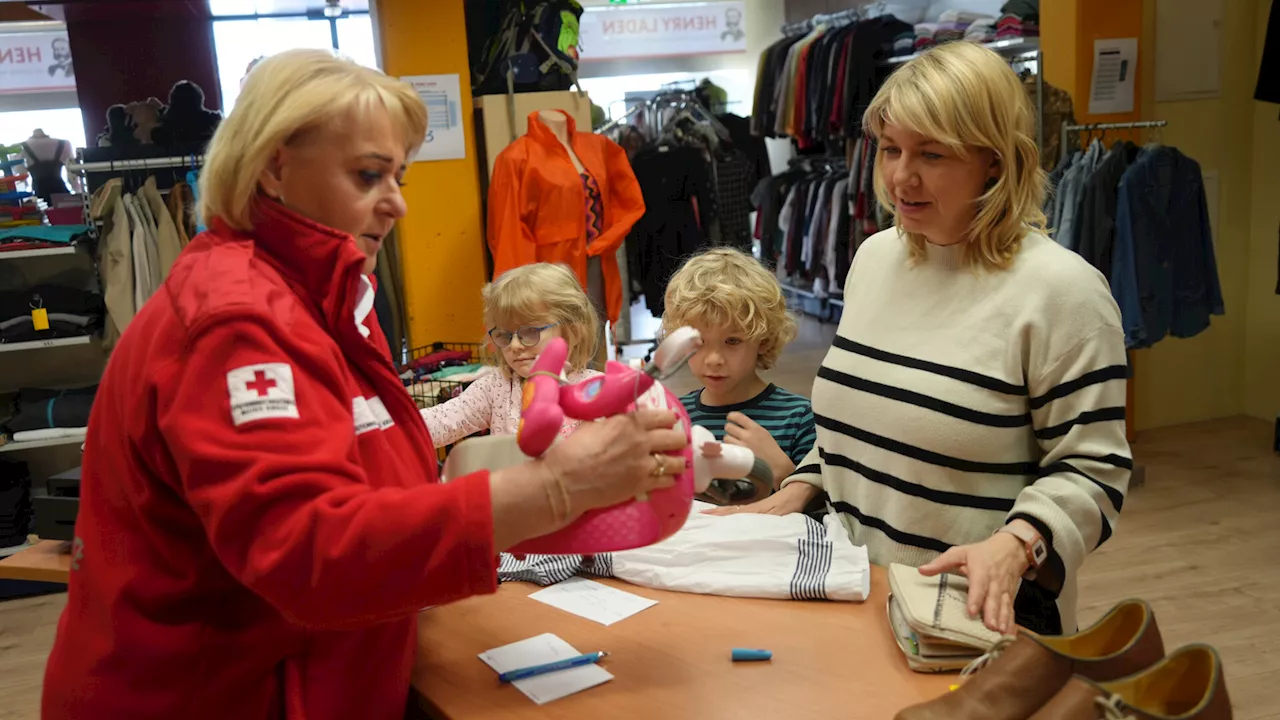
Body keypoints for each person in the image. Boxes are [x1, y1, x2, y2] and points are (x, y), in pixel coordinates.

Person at [41, 49, 687, 720]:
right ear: (273, 165)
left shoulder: (329, 300)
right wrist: (559, 487)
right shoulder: (238, 320)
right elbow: (308, 550)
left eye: (398, 174)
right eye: (368, 174)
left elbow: (369, 478)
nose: (399, 203)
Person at [712, 42, 1130, 637]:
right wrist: (805, 484)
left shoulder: (1063, 293)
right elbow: (855, 430)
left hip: (970, 624)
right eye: (889, 149)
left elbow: (1095, 470)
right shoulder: (875, 259)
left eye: (931, 154)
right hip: (849, 592)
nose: (900, 176)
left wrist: (1016, 546)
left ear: (995, 160)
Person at [662, 248, 815, 500]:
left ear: (763, 341)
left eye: (732, 341)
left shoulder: (798, 419)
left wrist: (782, 471)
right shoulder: (677, 418)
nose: (714, 360)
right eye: (699, 341)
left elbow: (821, 514)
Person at [420, 262, 605, 447]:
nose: (515, 345)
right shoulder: (497, 387)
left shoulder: (595, 388)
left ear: (572, 333)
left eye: (531, 332)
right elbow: (442, 421)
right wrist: (394, 430)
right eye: (505, 335)